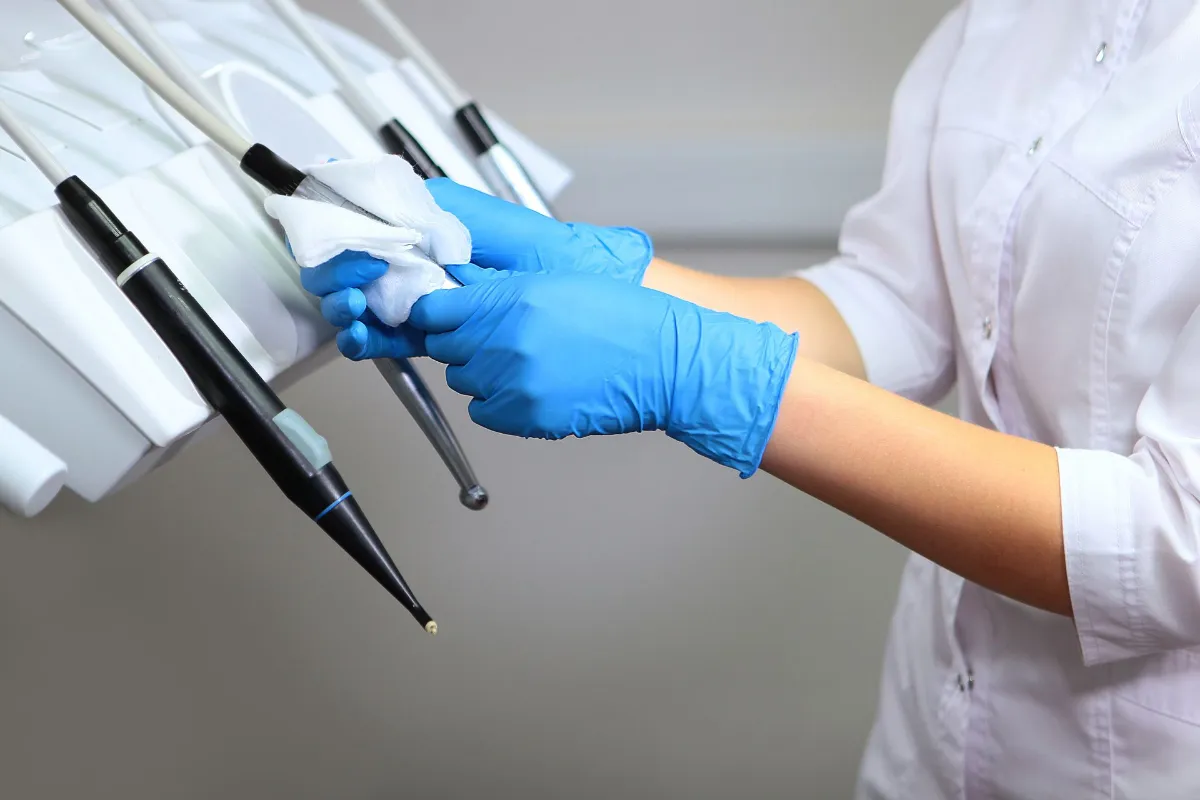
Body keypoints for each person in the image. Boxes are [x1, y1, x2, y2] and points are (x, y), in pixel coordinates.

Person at [295, 2, 1200, 796]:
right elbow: (901, 303)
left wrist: (694, 370)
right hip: (938, 742)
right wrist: (625, 283)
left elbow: (1170, 543)